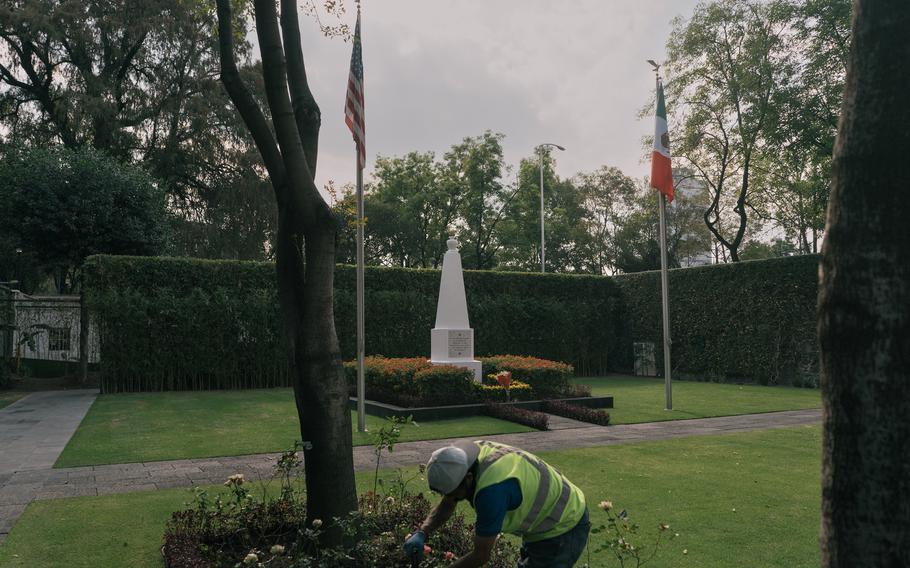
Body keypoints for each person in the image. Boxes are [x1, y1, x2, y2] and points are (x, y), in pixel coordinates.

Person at [403, 440, 590, 567]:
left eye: (453, 494)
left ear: (468, 478)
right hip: (542, 524)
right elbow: (449, 501)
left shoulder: (491, 493)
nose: (450, 499)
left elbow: (481, 556)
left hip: (563, 526)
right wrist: (422, 532)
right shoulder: (463, 455)